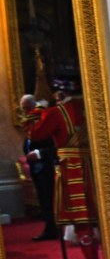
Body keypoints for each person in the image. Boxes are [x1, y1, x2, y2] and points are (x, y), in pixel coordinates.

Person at [31, 76, 104, 259]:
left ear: (59, 94)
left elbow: (35, 133)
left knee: (83, 222)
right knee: (106, 219)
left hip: (74, 170)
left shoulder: (56, 112)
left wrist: (38, 109)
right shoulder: (92, 107)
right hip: (98, 167)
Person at [20, 94, 59, 241]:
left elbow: (56, 146)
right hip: (37, 169)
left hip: (48, 167)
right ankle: (50, 228)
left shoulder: (45, 121)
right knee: (43, 200)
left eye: (26, 108)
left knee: (50, 199)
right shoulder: (31, 124)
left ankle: (53, 229)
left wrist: (39, 153)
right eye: (23, 109)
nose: (24, 112)